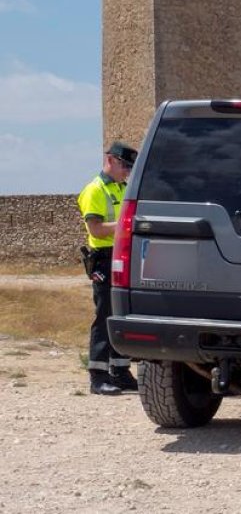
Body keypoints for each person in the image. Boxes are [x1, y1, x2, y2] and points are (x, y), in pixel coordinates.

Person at [77, 141, 139, 395]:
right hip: (103, 257)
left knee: (122, 315)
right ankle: (98, 376)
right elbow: (96, 229)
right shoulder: (95, 190)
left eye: (130, 167)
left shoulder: (123, 187)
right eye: (124, 165)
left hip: (123, 254)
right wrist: (128, 223)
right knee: (104, 316)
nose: (127, 170)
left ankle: (120, 371)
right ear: (110, 160)